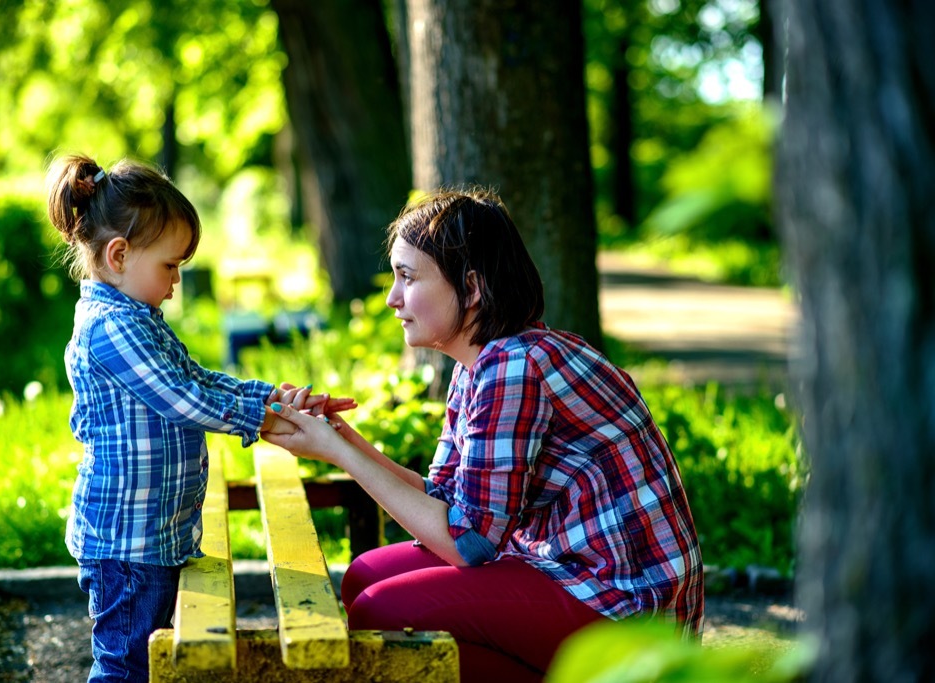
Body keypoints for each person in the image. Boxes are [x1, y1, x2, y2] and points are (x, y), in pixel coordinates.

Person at [262, 187, 704, 682]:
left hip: (625, 609)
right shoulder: (479, 364)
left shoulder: (513, 365)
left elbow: (468, 543)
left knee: (383, 611)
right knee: (364, 576)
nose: (392, 298)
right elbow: (446, 503)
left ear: (471, 288)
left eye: (407, 277)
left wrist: (343, 457)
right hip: (567, 573)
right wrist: (340, 438)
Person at [45, 153, 354, 683]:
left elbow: (199, 378)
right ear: (119, 255)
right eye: (170, 265)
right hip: (127, 547)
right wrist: (264, 419)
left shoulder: (137, 318)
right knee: (125, 668)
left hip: (153, 537)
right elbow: (181, 397)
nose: (177, 281)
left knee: (150, 660)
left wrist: (273, 399)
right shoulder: (109, 328)